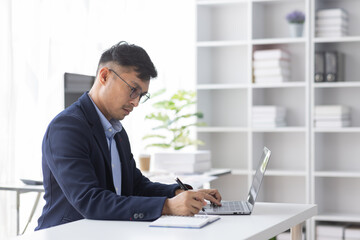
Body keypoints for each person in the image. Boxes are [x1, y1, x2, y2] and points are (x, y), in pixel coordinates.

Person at [36, 41, 222, 230]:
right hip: (66, 234)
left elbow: (136, 186)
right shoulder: (67, 128)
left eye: (141, 95)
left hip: (104, 233)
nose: (135, 102)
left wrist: (178, 193)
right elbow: (90, 201)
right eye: (133, 90)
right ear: (105, 76)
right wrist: (167, 206)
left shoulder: (116, 131)